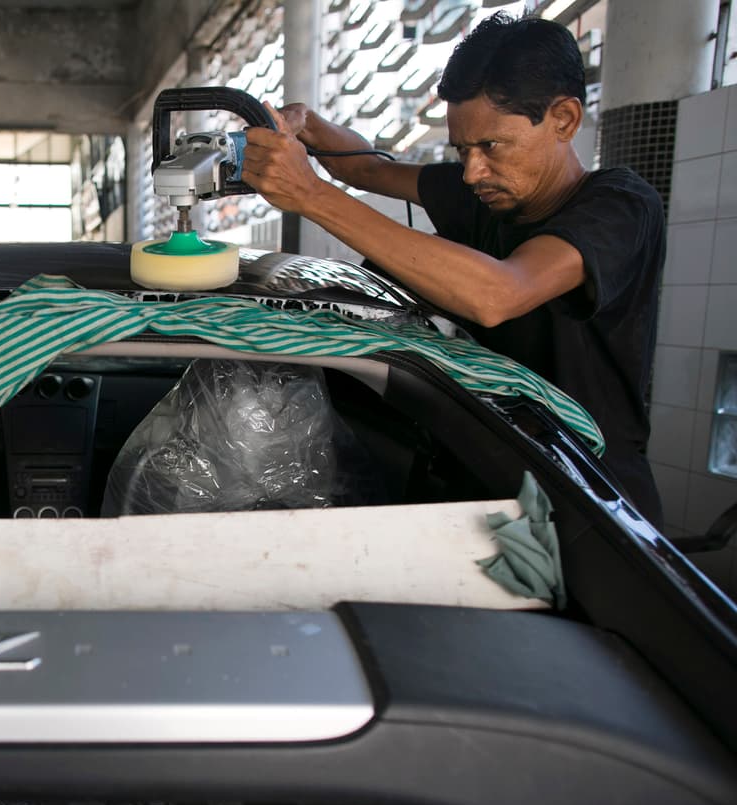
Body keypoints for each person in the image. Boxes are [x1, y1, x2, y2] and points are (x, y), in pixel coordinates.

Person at [242, 12, 665, 525]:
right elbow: (364, 168)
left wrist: (309, 194)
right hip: (496, 468)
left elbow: (500, 294)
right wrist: (307, 125)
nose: (472, 171)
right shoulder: (485, 194)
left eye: (491, 146)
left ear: (565, 120)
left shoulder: (620, 207)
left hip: (594, 502)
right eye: (462, 149)